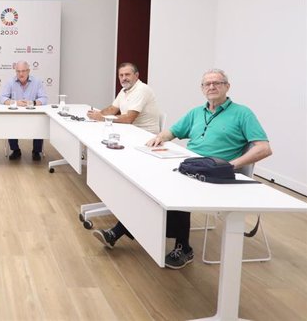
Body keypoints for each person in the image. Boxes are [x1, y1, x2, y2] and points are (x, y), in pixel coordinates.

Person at [92, 69, 272, 269]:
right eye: (207, 84)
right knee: (145, 182)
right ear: (202, 88)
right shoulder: (197, 112)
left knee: (176, 189)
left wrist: (232, 165)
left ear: (227, 87)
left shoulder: (242, 113)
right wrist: (161, 137)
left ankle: (182, 247)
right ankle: (124, 230)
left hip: (217, 171)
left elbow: (264, 148)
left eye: (217, 83)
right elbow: (174, 131)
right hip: (190, 163)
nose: (211, 87)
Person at [87, 62, 161, 134]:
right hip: (131, 130)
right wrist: (97, 114)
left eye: (127, 74)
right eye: (121, 75)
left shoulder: (141, 89)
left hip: (145, 135)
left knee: (104, 135)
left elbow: (129, 118)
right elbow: (112, 109)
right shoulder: (124, 90)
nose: (124, 78)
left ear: (136, 75)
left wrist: (102, 118)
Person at [0, 60, 49, 160]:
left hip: (33, 114)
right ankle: (16, 150)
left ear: (28, 71)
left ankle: (36, 151)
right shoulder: (10, 82)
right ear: (15, 71)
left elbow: (44, 98)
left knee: (40, 122)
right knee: (10, 123)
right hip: (15, 115)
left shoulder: (37, 82)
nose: (21, 74)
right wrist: (16, 102)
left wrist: (32, 102)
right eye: (18, 71)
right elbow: (2, 98)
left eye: (23, 71)